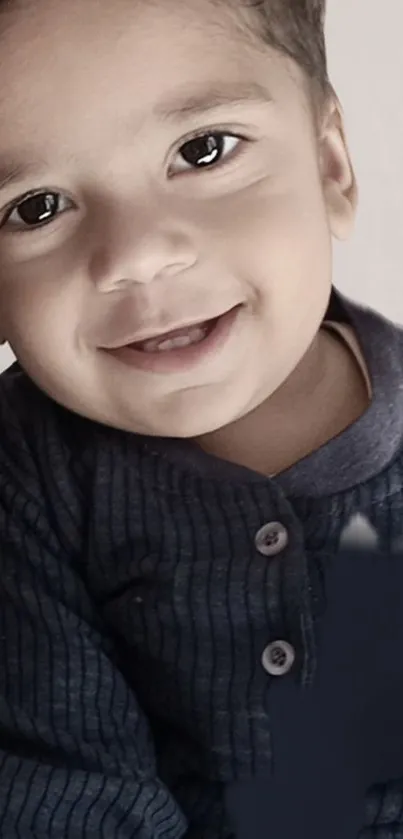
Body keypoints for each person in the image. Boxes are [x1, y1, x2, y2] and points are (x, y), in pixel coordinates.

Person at [0, 0, 403, 836]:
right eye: (36, 207)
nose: (137, 255)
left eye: (202, 150)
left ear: (331, 167)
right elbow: (58, 783)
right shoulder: (27, 475)